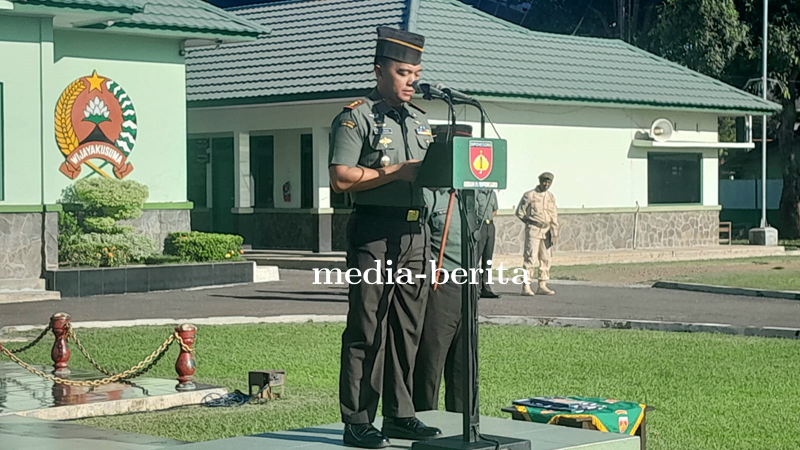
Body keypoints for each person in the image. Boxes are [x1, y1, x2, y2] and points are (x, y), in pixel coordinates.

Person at [328, 26, 442, 449]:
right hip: (373, 232)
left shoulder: (421, 121)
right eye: (403, 72)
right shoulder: (355, 116)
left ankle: (400, 414)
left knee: (408, 329)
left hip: (415, 233)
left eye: (416, 72)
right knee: (366, 327)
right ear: (379, 72)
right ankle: (358, 419)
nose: (412, 80)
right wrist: (395, 171)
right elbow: (341, 179)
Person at [413, 187, 470, 414]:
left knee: (464, 367)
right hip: (440, 285)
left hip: (470, 285)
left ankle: (463, 425)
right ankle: (424, 417)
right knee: (431, 362)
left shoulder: (473, 194)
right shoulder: (428, 195)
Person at [515, 172, 559, 296]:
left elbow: (554, 215)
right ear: (540, 181)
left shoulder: (550, 196)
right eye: (544, 182)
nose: (546, 185)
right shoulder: (530, 195)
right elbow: (519, 213)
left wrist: (555, 231)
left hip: (547, 230)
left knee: (546, 258)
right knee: (530, 257)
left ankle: (542, 284)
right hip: (534, 229)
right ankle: (526, 285)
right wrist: (529, 222)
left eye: (549, 182)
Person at [476, 189, 500, 298]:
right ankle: (475, 287)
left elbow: (495, 210)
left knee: (488, 259)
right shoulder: (475, 192)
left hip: (489, 225)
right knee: (476, 258)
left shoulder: (492, 193)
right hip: (479, 226)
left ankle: (486, 287)